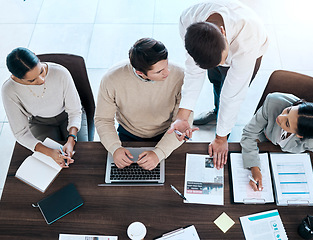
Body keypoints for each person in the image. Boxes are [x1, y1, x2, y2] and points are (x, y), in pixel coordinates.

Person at [168, 0, 269, 169]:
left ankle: (223, 126)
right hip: (216, 50)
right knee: (215, 81)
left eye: (221, 61)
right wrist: (182, 116)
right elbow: (193, 72)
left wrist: (221, 138)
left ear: (223, 32)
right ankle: (217, 112)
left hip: (252, 50)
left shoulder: (247, 39)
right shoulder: (187, 20)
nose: (220, 66)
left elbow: (233, 95)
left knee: (227, 91)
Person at [94, 38, 189, 170]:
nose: (167, 72)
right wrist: (115, 148)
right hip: (128, 133)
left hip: (167, 132)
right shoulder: (111, 79)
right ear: (140, 72)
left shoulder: (181, 75)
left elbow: (183, 120)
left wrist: (159, 153)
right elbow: (103, 119)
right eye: (159, 71)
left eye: (166, 66)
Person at [2, 47, 84, 168]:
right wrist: (50, 152)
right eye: (32, 80)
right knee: (52, 164)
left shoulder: (61, 72)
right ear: (16, 76)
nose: (41, 80)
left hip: (68, 115)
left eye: (41, 71)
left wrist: (71, 139)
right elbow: (21, 133)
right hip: (40, 122)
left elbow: (75, 111)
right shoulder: (9, 90)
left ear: (36, 57)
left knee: (82, 157)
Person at [241, 92, 313, 191]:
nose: (280, 117)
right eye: (288, 111)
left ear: (300, 135)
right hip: (266, 141)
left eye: (287, 123)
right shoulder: (273, 102)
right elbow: (249, 133)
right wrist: (254, 167)